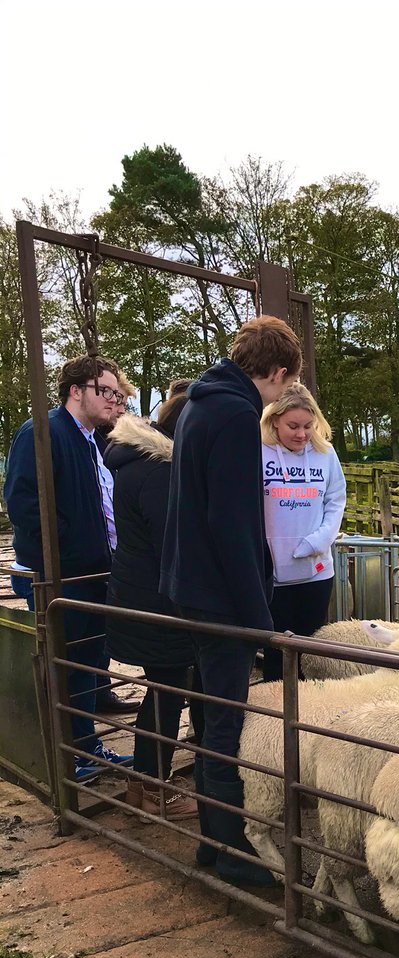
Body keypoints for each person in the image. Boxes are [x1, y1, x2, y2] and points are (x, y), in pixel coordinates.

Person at [160, 316, 303, 887]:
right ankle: (232, 851)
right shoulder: (237, 414)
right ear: (273, 371)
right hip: (219, 598)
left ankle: (210, 839)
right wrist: (259, 620)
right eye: (281, 383)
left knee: (207, 715)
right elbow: (233, 523)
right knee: (225, 724)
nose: (277, 395)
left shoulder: (199, 402)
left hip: (189, 588)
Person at [3, 355, 135, 781]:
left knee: (87, 658)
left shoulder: (91, 438)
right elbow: (23, 502)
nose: (114, 399)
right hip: (59, 572)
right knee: (68, 660)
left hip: (92, 569)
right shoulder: (42, 432)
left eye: (117, 393)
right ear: (77, 390)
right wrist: (70, 545)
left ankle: (84, 746)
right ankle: (69, 753)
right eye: (107, 391)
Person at [103, 380, 198, 819]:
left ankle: (145, 782)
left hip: (139, 596)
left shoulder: (137, 463)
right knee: (166, 693)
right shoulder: (162, 473)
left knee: (164, 690)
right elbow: (173, 545)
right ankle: (152, 786)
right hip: (159, 604)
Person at [259, 382, 347, 681]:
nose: (301, 434)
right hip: (272, 575)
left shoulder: (325, 454)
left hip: (316, 571)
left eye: (308, 426)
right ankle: (274, 722)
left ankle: (307, 718)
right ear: (274, 420)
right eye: (293, 426)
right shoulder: (258, 452)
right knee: (276, 655)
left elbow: (336, 500)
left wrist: (318, 541)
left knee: (308, 654)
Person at [94, 374, 141, 717]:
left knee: (100, 628)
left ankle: (101, 690)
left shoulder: (118, 441)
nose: (119, 407)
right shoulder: (92, 438)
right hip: (90, 552)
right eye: (113, 398)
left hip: (113, 545)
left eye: (123, 401)